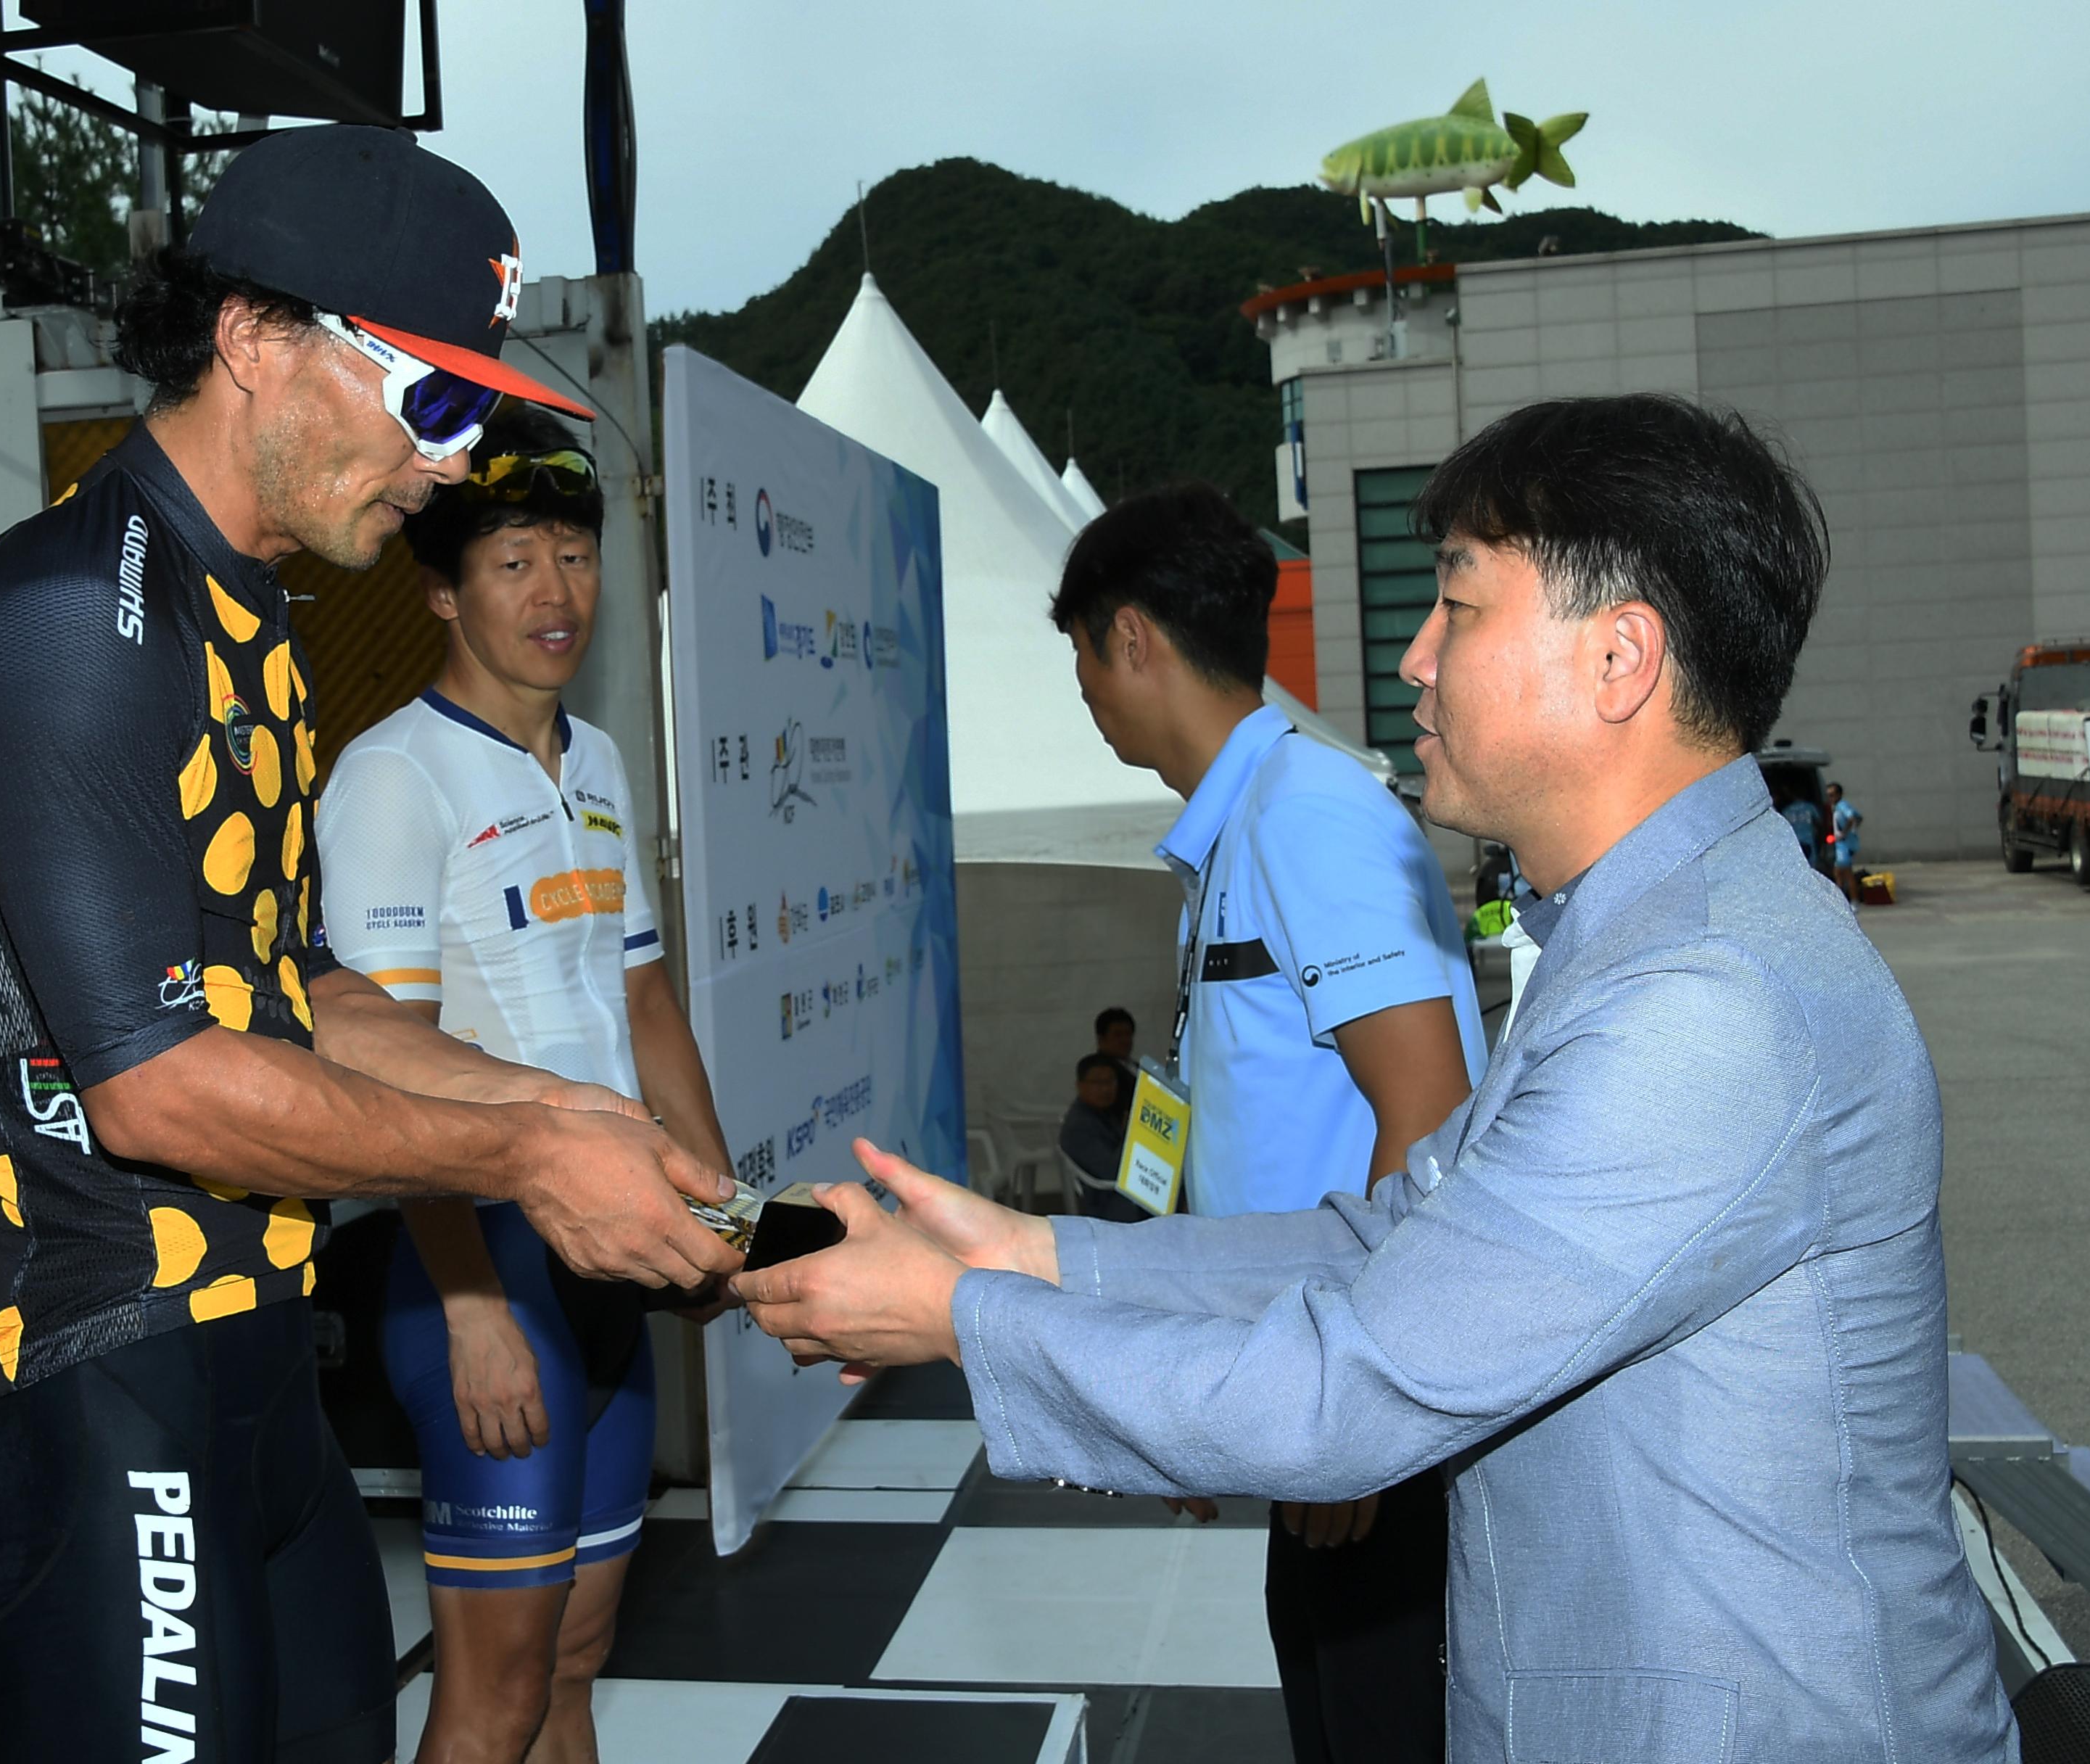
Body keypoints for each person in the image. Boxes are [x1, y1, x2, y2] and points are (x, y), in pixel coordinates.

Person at [735, 395, 2016, 1763]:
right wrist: (1034, 1252)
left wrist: (958, 1313)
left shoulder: (1703, 1001)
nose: (1410, 659)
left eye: (1456, 608)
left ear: (1618, 657)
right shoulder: (1634, 938)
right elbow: (1392, 1233)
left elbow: (1349, 1390)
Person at [0, 128, 740, 1764]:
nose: (450, 464)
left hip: (257, 1346)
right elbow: (158, 1085)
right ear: (256, 341)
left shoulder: (247, 617)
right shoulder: (73, 620)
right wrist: (525, 1160)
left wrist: (581, 1121)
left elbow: (306, 998)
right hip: (95, 1365)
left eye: (478, 412)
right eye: (433, 402)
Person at [316, 405, 733, 1764]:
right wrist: (475, 1302)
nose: (556, 593)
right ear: (439, 588)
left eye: (574, 554)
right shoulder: (390, 776)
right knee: (488, 1693)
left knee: (575, 1661)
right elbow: (382, 1070)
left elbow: (645, 1005)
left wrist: (723, 1216)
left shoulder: (600, 762)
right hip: (477, 1262)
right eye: (512, 562)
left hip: (609, 1246)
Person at [1049, 482, 1487, 1763]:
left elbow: (1427, 1104)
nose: (1082, 687)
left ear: (1130, 636)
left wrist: (1358, 1428)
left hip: (1359, 1406)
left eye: (1079, 654)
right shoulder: (1239, 826)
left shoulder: (1311, 812)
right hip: (1299, 1384)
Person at [1056, 1054, 1144, 1224]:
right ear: (1080, 1086)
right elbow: (1112, 1173)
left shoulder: (1100, 1112)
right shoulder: (1080, 1125)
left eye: (1110, 1082)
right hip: (1110, 1204)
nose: (1105, 1089)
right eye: (1097, 1083)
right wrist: (1133, 1132)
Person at [1827, 780, 1862, 898]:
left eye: (1832, 795)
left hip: (1844, 845)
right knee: (1838, 874)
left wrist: (1844, 833)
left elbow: (1852, 818)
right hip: (1842, 845)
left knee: (1847, 874)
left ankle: (1853, 901)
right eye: (1828, 795)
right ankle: (1842, 900)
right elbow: (1858, 817)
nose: (1830, 798)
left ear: (1839, 795)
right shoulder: (1838, 807)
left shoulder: (1842, 806)